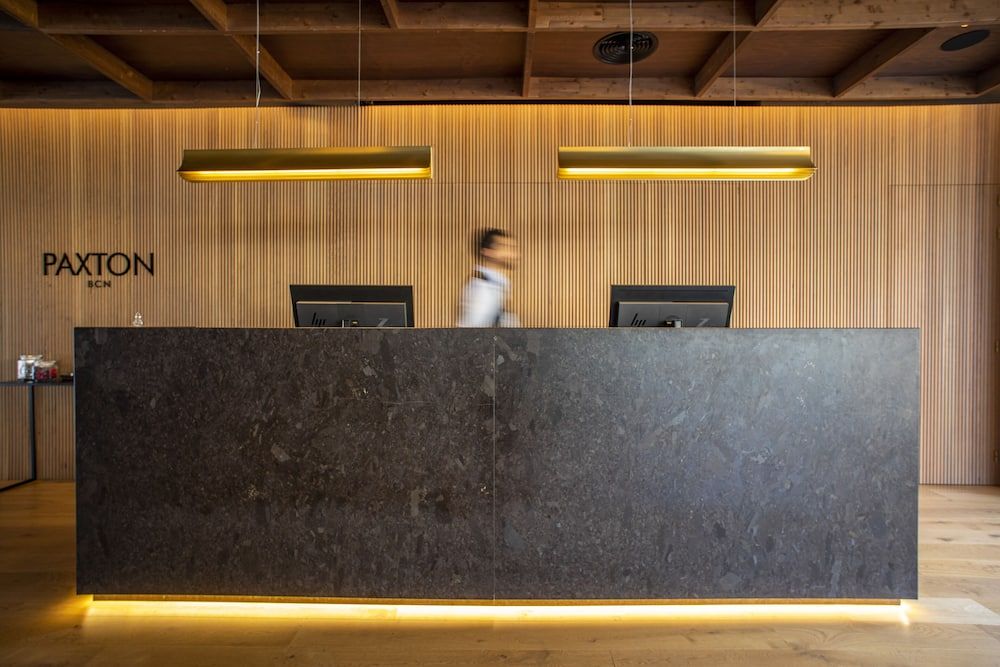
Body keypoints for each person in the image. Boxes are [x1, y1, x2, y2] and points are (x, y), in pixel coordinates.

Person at [457, 228, 520, 327]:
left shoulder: (496, 284)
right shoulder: (483, 287)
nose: (513, 254)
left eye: (513, 248)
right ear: (487, 252)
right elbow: (473, 329)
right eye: (505, 247)